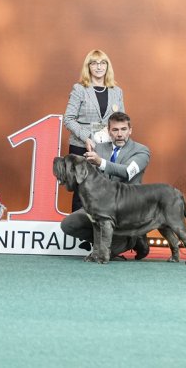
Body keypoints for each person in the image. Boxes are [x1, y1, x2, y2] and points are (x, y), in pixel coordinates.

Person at [60, 111, 151, 260]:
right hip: (101, 207)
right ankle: (103, 243)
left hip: (125, 211)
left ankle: (135, 239)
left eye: (123, 129)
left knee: (109, 250)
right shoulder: (100, 149)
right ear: (109, 131)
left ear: (130, 130)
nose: (119, 134)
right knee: (68, 224)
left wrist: (100, 162)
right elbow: (90, 178)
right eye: (115, 130)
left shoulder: (141, 150)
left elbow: (127, 172)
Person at [64, 49, 125, 211]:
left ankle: (102, 226)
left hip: (107, 147)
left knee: (106, 190)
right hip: (81, 146)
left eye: (103, 63)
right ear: (88, 67)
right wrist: (86, 138)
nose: (99, 67)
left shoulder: (117, 91)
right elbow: (68, 119)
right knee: (82, 191)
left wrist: (113, 134)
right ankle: (79, 226)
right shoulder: (79, 89)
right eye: (94, 63)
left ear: (107, 66)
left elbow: (121, 120)